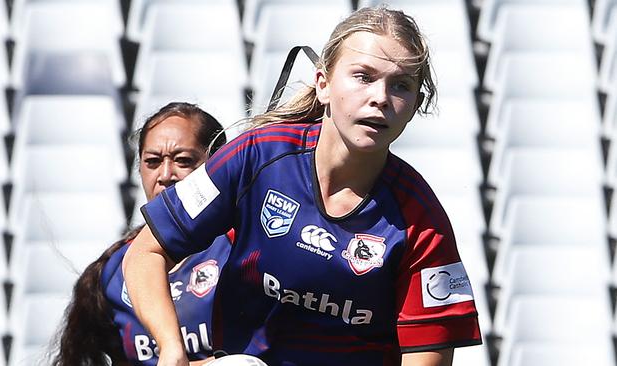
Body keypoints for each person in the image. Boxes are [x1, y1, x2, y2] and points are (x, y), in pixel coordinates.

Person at [123, 6, 482, 366]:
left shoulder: (423, 221)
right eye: (363, 76)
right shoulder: (256, 156)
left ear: (415, 104)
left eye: (401, 85)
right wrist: (173, 351)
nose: (381, 97)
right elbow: (145, 254)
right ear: (323, 84)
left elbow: (428, 358)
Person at [50, 102, 228, 365]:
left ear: (220, 165)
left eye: (183, 161)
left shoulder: (245, 249)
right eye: (152, 162)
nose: (165, 175)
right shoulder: (112, 272)